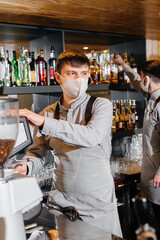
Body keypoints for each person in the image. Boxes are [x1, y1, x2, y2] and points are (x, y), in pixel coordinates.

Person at [16, 50, 122, 237]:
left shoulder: (101, 106)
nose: (79, 80)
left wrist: (43, 123)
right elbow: (37, 153)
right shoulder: (47, 113)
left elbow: (91, 136)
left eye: (84, 74)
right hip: (64, 205)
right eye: (72, 74)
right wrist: (25, 166)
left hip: (97, 206)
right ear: (58, 77)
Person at [114, 54, 160, 231]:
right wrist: (123, 65)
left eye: (142, 77)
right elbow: (135, 81)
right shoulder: (151, 97)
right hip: (151, 175)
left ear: (147, 79)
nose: (140, 80)